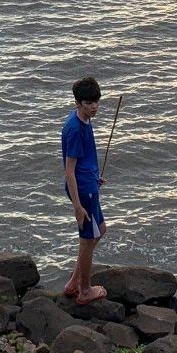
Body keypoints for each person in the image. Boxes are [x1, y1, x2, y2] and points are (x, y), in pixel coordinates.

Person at [61, 75, 107, 304]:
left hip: (88, 184)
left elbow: (84, 161)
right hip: (82, 190)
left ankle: (73, 282)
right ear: (78, 103)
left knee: (101, 229)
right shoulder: (75, 129)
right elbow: (69, 171)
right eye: (89, 103)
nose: (94, 107)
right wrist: (77, 207)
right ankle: (85, 290)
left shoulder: (84, 120)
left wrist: (94, 177)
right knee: (88, 239)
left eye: (96, 102)